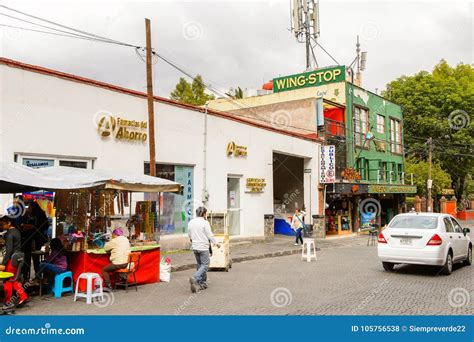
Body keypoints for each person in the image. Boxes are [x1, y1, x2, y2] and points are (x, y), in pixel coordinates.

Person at [188, 206, 220, 293]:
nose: (206, 215)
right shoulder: (205, 223)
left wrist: (193, 239)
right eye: (206, 213)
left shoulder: (191, 222)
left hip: (195, 247)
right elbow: (210, 235)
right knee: (205, 265)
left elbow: (189, 234)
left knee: (200, 265)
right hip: (203, 247)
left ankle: (202, 283)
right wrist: (216, 243)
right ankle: (195, 277)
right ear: (203, 214)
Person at [0, 216, 28, 308]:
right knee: (13, 279)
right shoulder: (16, 231)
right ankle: (22, 296)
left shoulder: (9, 234)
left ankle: (8, 300)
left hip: (12, 258)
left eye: (3, 224)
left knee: (9, 280)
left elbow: (9, 250)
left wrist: (3, 263)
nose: (1, 226)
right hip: (18, 257)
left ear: (9, 223)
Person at [20, 201, 49, 281]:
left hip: (36, 241)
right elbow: (21, 224)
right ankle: (26, 277)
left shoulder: (40, 216)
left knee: (35, 259)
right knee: (27, 259)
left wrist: (32, 227)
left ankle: (37, 277)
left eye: (29, 207)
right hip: (27, 241)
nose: (28, 209)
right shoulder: (26, 216)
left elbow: (43, 226)